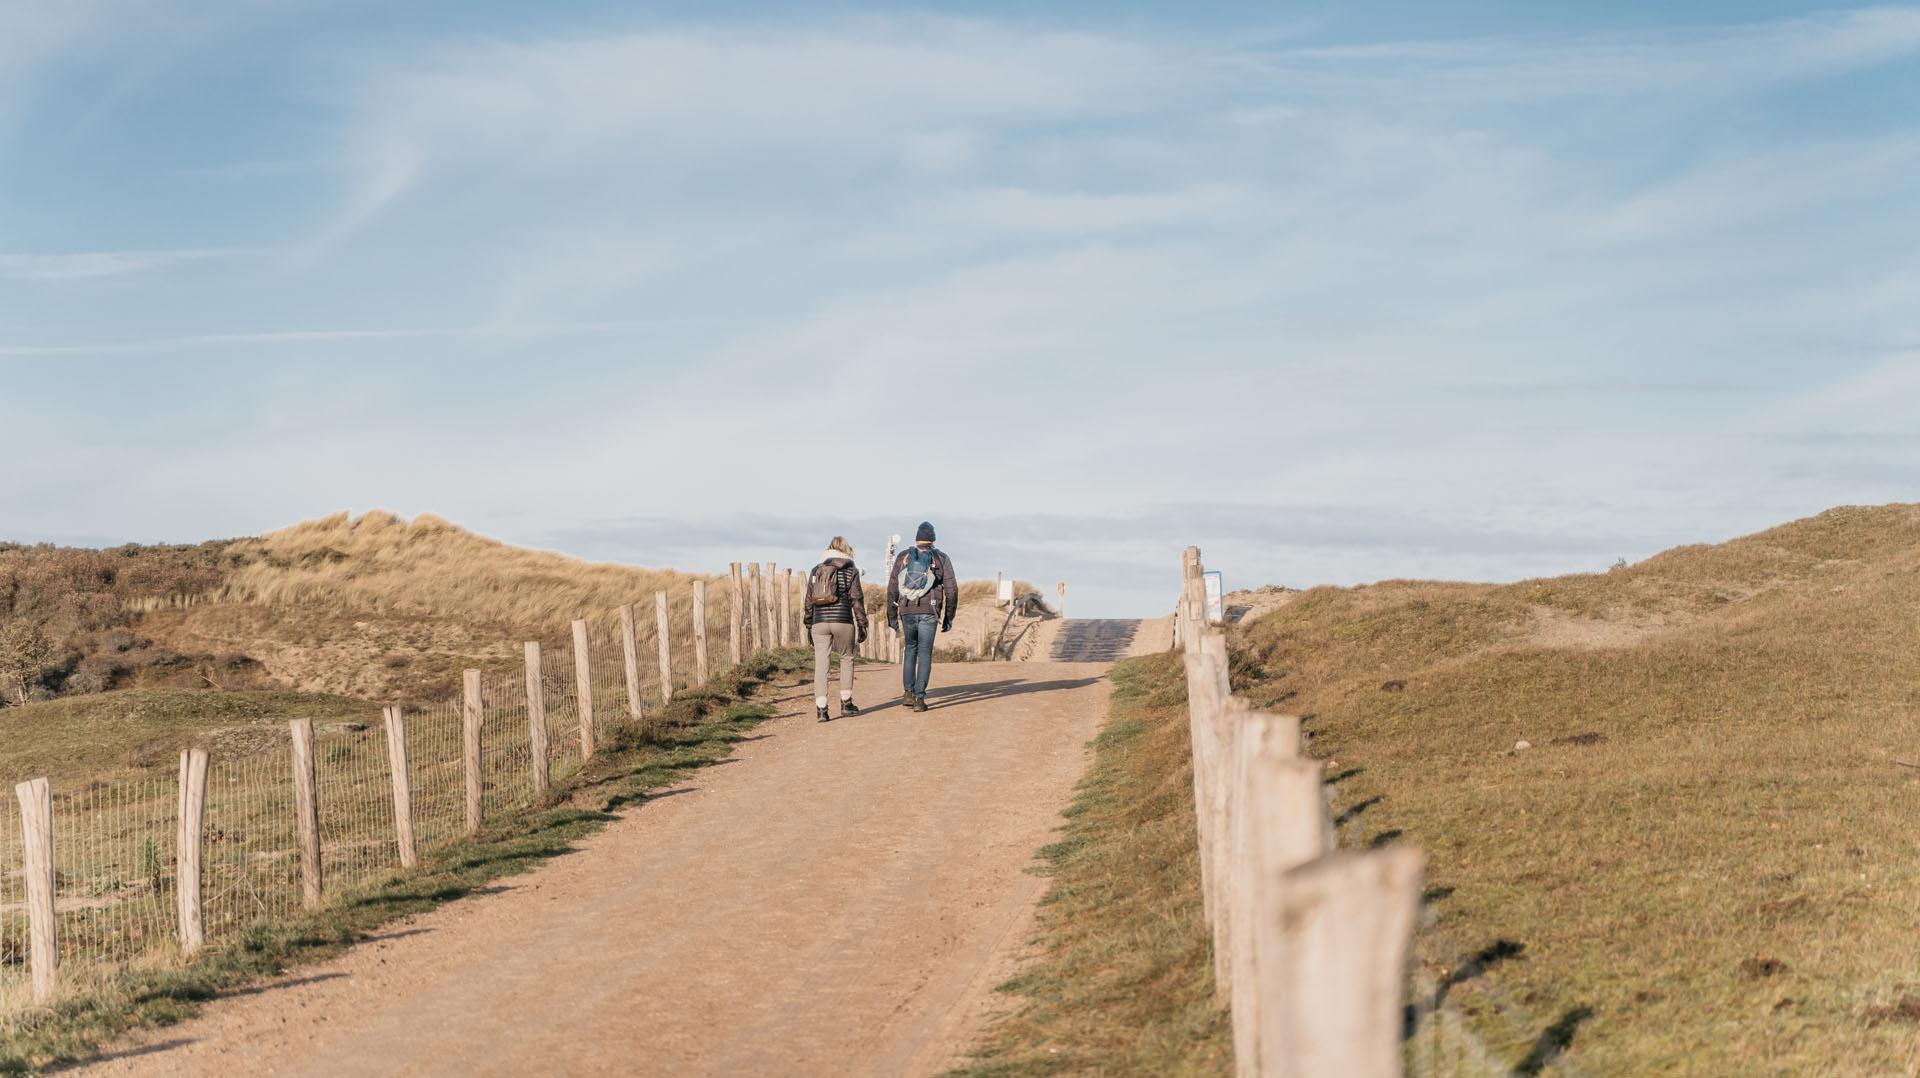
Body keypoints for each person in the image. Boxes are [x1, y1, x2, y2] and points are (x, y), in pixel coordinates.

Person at [886, 521, 958, 713]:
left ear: (917, 538)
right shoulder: (940, 558)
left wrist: (892, 616)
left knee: (910, 649)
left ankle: (907, 693)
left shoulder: (904, 557)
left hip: (907, 610)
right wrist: (949, 617)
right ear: (933, 539)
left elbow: (893, 586)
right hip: (929, 611)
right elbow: (951, 589)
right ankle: (919, 698)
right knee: (924, 653)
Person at [803, 537, 868, 722]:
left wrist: (809, 623)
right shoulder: (851, 570)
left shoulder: (816, 570)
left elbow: (809, 600)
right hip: (843, 620)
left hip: (819, 621)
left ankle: (822, 709)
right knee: (846, 658)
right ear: (847, 551)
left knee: (821, 663)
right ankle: (846, 704)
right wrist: (862, 624)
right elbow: (856, 599)